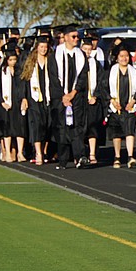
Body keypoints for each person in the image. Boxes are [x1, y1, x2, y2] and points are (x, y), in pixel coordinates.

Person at [48, 25, 88, 169]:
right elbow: (53, 78)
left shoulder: (81, 55)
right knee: (61, 128)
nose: (76, 39)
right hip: (60, 98)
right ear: (65, 37)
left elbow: (83, 76)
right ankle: (63, 160)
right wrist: (63, 96)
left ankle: (80, 157)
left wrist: (73, 93)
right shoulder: (55, 55)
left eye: (77, 37)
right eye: (73, 36)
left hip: (76, 97)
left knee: (77, 127)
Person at [105, 45, 136, 169]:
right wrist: (112, 101)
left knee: (130, 130)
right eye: (121, 56)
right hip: (116, 107)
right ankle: (117, 157)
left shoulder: (135, 73)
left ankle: (130, 156)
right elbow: (104, 88)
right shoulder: (110, 72)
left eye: (126, 56)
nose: (124, 59)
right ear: (116, 58)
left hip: (130, 106)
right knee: (116, 133)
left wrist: (134, 100)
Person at [20, 35, 53, 165]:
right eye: (41, 47)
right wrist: (24, 97)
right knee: (37, 125)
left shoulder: (51, 61)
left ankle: (44, 151)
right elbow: (24, 80)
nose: (43, 49)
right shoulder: (30, 62)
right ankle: (38, 153)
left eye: (45, 47)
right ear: (36, 48)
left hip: (48, 98)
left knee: (47, 125)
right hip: (34, 99)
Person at [76, 32, 108, 166]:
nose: (87, 52)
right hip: (80, 101)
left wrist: (96, 96)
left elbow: (102, 83)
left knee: (93, 128)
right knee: (79, 128)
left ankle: (92, 153)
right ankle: (80, 154)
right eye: (85, 49)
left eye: (89, 50)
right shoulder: (76, 63)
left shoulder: (96, 65)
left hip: (93, 101)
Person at [0, 45, 26, 162]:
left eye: (15, 60)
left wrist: (24, 98)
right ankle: (7, 153)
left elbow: (23, 86)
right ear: (6, 60)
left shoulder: (19, 71)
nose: (13, 62)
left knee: (19, 127)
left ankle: (20, 153)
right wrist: (1, 101)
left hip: (17, 101)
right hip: (6, 103)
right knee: (7, 128)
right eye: (10, 60)